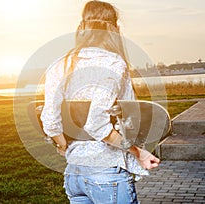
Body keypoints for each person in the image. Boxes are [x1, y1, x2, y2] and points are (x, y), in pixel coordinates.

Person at [41, 1, 160, 203]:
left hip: (74, 174)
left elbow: (50, 120)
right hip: (106, 173)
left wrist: (63, 146)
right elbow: (97, 124)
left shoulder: (61, 64)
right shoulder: (113, 63)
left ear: (82, 27)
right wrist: (138, 152)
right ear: (115, 29)